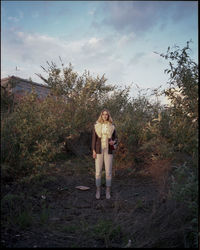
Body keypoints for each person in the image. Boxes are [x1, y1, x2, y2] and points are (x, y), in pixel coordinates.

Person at [92, 109, 118, 199]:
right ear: (101, 115)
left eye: (106, 115)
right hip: (98, 150)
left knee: (108, 172)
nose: (105, 116)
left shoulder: (112, 126)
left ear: (108, 116)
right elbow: (94, 139)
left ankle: (108, 191)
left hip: (108, 150)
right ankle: (98, 190)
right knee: (98, 172)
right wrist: (93, 150)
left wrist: (113, 142)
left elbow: (116, 138)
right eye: (103, 114)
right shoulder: (97, 125)